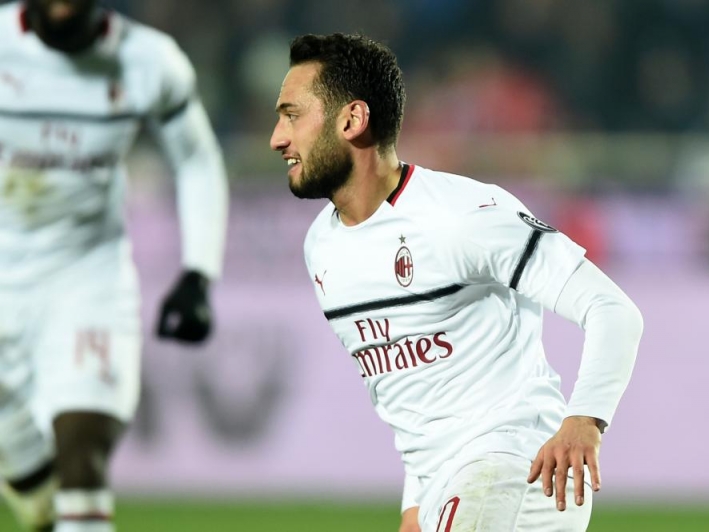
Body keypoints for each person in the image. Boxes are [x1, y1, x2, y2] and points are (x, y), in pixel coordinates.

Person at [270, 33, 643, 532]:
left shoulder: (462, 215)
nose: (277, 138)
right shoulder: (322, 247)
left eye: (292, 115)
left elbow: (612, 310)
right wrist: (415, 505)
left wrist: (584, 420)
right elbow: (413, 396)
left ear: (352, 120)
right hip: (448, 489)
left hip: (514, 468)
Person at [0, 1, 228, 530]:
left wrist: (199, 272)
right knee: (36, 498)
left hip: (87, 277)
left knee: (82, 451)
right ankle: (32, 486)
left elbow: (196, 158)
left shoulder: (150, 61)